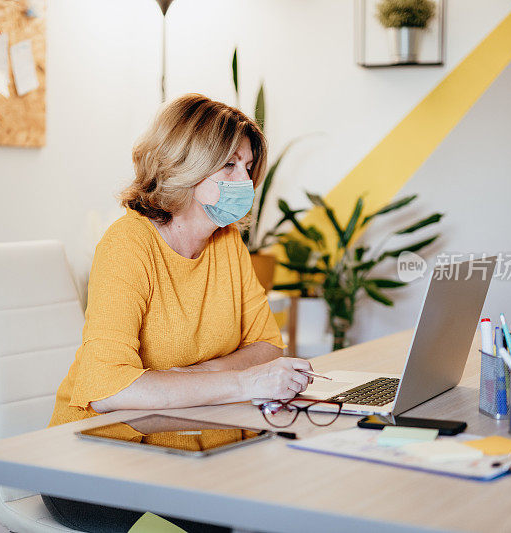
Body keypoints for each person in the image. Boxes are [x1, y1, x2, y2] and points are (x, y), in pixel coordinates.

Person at [43, 93, 313, 532]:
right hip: (94, 463)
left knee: (282, 506)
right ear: (184, 165)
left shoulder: (226, 241)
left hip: (190, 453)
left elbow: (268, 345)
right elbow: (109, 388)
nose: (243, 179)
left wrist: (198, 375)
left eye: (247, 167)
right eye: (229, 165)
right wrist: (240, 381)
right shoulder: (127, 244)